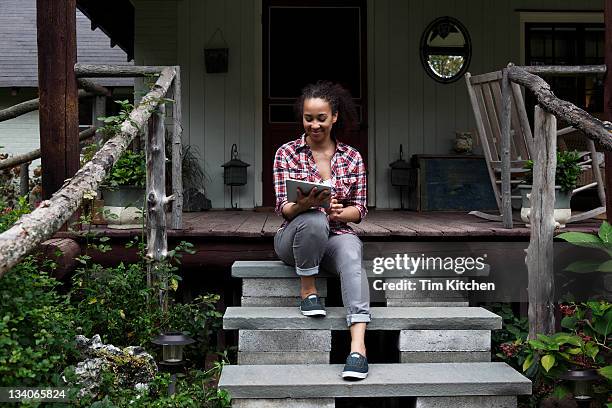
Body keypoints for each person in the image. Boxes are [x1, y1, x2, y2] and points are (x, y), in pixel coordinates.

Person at [273, 81, 370, 380]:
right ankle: (308, 291)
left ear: (335, 117)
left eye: (321, 118)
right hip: (294, 237)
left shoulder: (352, 157)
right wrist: (305, 205)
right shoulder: (287, 153)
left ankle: (358, 349)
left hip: (336, 235)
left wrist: (342, 211)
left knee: (353, 253)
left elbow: (360, 210)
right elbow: (284, 209)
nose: (314, 125)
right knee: (314, 219)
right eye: (308, 118)